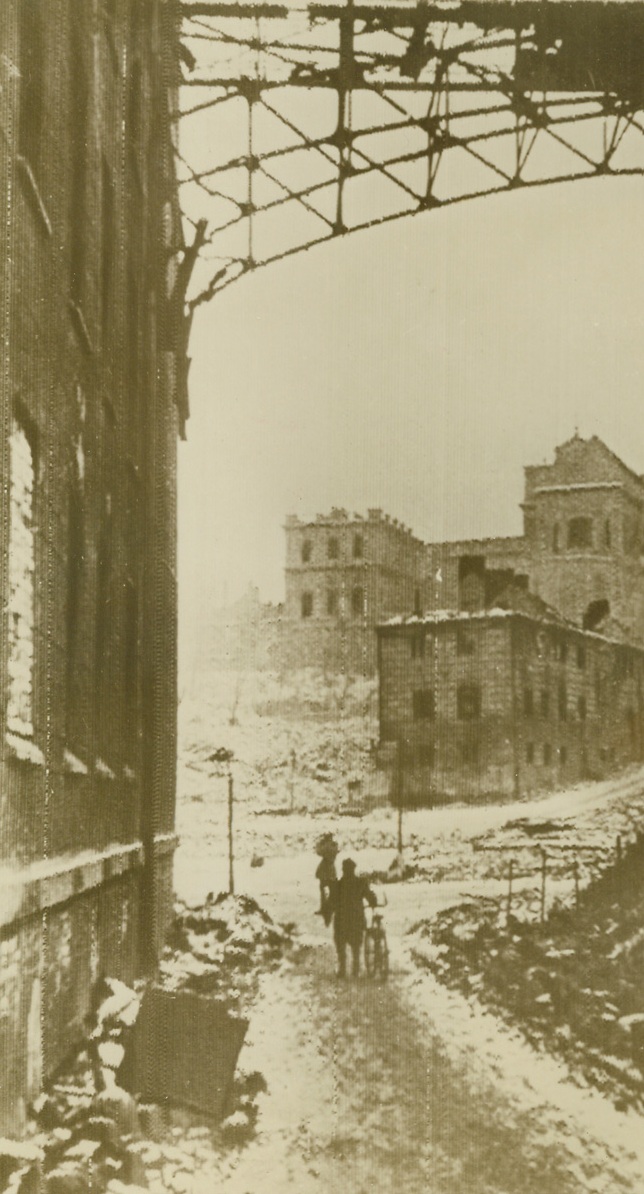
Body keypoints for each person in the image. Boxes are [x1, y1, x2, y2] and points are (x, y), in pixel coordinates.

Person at [328, 858, 377, 979]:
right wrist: (373, 902)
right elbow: (370, 897)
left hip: (341, 921)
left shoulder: (337, 885)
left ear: (343, 870)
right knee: (356, 946)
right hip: (356, 919)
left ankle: (342, 969)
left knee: (341, 945)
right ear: (354, 869)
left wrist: (327, 911)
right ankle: (355, 969)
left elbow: (331, 902)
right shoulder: (360, 883)